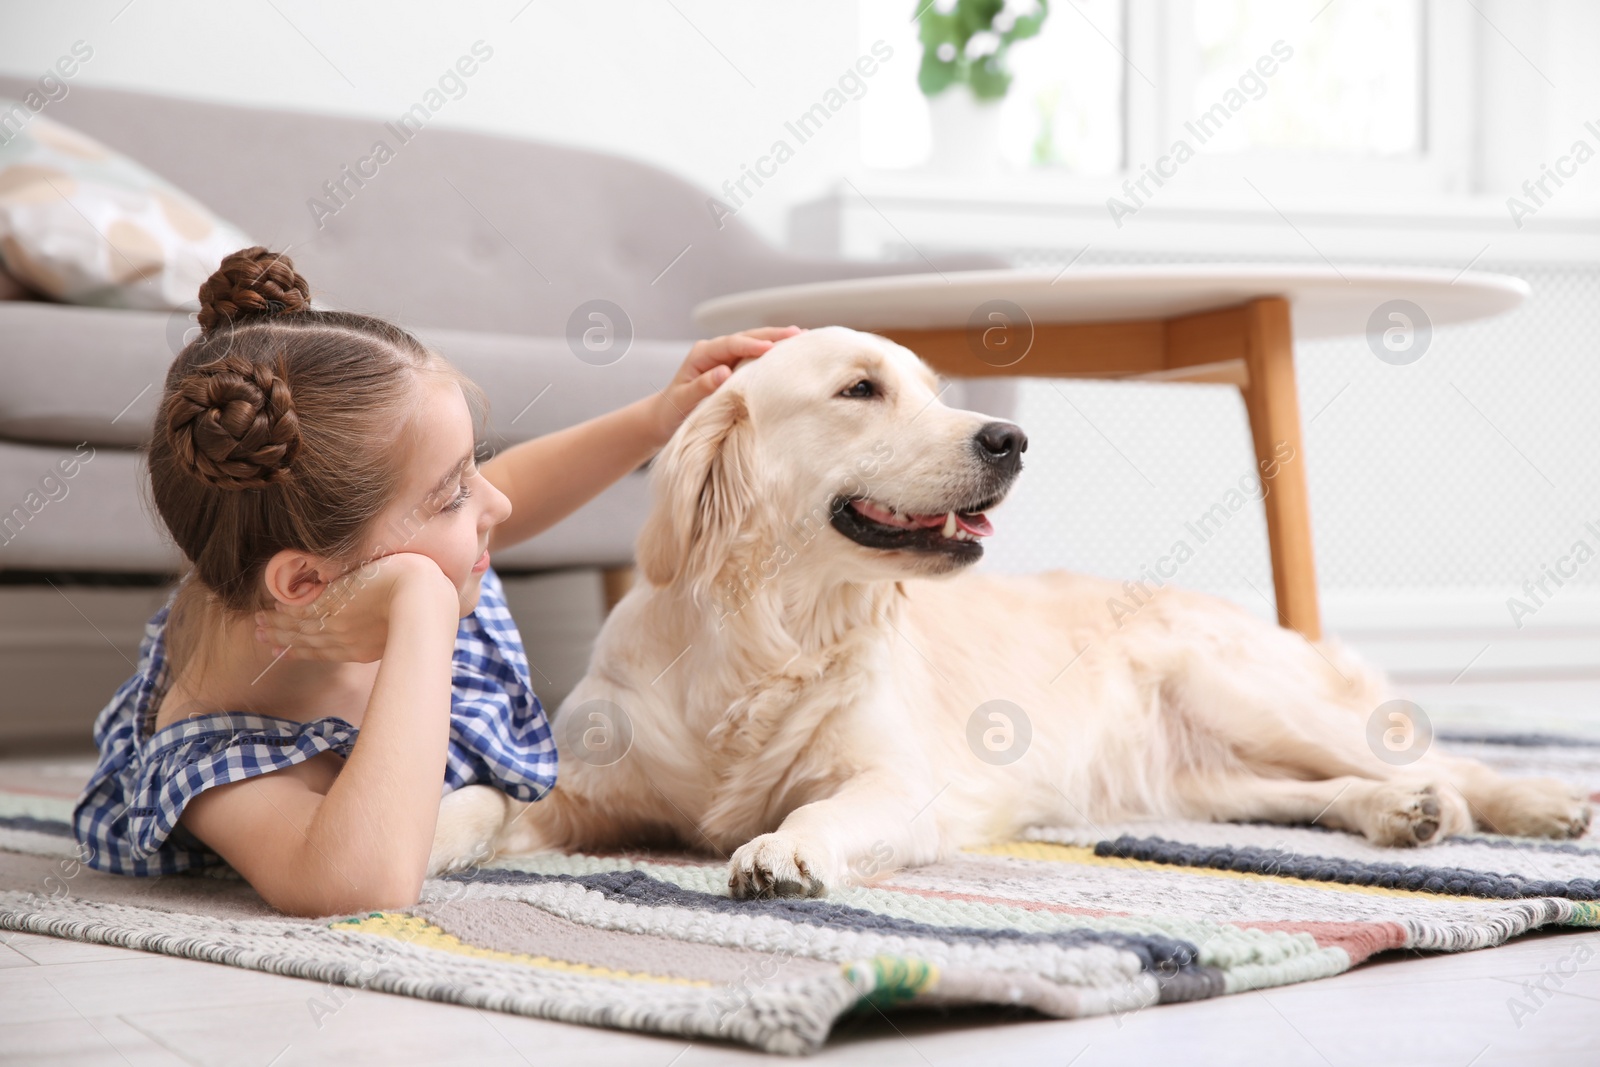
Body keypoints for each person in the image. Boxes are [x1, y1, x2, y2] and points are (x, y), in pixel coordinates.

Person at [71, 246, 798, 916]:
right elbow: (363, 883)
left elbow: (509, 488)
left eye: (472, 469)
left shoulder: (351, 562)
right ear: (307, 582)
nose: (498, 506)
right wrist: (419, 603)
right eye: (453, 494)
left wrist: (657, 417)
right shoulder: (212, 745)